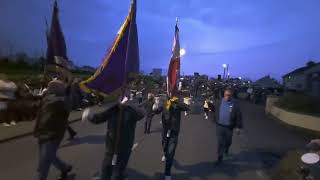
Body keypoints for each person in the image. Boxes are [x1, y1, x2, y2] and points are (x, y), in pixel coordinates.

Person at [82, 92, 145, 180]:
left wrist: (130, 105)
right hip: (111, 146)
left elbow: (141, 114)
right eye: (121, 97)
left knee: (117, 174)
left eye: (125, 97)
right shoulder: (113, 109)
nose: (122, 99)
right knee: (105, 171)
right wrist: (89, 116)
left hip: (124, 147)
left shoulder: (131, 110)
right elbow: (99, 118)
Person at [34, 80, 73, 180]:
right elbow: (40, 114)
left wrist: (67, 92)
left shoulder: (63, 100)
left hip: (53, 134)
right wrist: (36, 129)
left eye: (54, 87)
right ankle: (64, 167)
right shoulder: (46, 98)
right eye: (50, 86)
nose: (50, 88)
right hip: (42, 131)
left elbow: (67, 106)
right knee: (49, 156)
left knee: (45, 160)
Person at [159, 96, 190, 180]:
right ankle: (165, 154)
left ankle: (167, 172)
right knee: (164, 146)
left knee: (171, 152)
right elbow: (158, 110)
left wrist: (176, 102)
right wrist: (155, 107)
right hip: (165, 130)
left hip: (174, 131)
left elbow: (187, 108)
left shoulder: (177, 102)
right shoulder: (164, 101)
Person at [213, 88, 243, 165]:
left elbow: (238, 116)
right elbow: (213, 111)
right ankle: (220, 157)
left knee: (228, 142)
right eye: (226, 95)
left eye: (229, 95)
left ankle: (226, 149)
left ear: (231, 96)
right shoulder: (219, 102)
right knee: (220, 142)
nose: (227, 97)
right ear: (224, 94)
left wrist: (238, 127)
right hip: (220, 126)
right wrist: (214, 119)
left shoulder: (235, 104)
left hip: (229, 127)